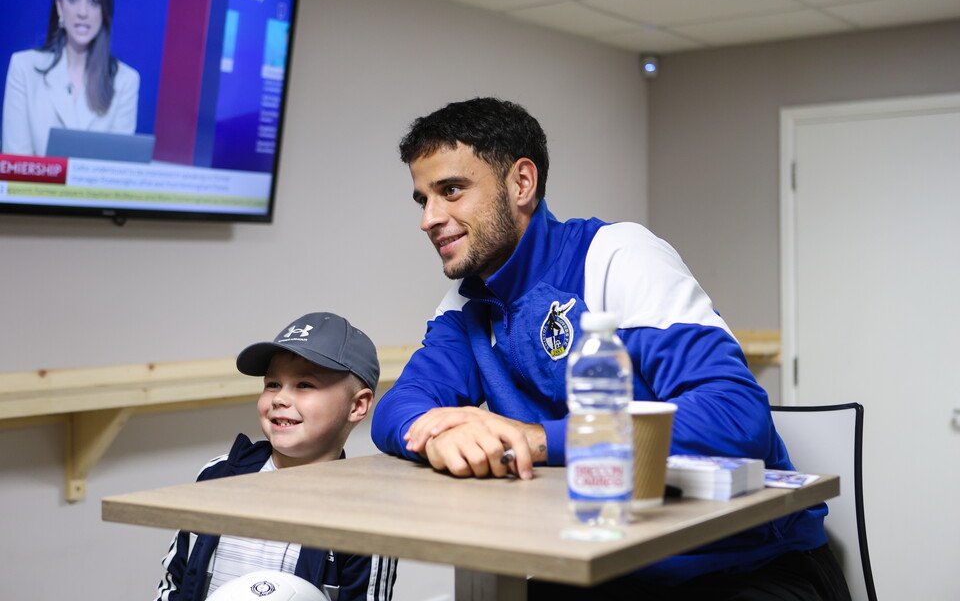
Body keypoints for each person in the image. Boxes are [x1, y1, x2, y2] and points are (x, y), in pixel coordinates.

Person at [370, 97, 850, 600]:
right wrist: (432, 435)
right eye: (423, 199)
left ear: (522, 184)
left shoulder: (618, 257)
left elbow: (734, 418)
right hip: (597, 560)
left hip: (742, 564)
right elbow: (399, 407)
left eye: (451, 191)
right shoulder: (467, 299)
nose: (429, 218)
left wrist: (534, 440)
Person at [156, 312, 396, 601]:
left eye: (305, 385)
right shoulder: (217, 475)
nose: (280, 398)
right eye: (272, 384)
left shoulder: (365, 512)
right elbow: (175, 581)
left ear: (357, 406)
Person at [2, 0, 139, 156]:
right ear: (60, 6)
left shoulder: (125, 81)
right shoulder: (24, 68)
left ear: (105, 10)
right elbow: (18, 167)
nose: (82, 12)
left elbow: (115, 173)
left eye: (94, 1)